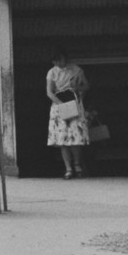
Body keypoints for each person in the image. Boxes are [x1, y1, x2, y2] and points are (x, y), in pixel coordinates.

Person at [46, 47, 91, 179]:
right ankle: (68, 168)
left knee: (75, 135)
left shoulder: (77, 70)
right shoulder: (52, 72)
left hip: (74, 102)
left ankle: (77, 165)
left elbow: (86, 86)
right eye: (55, 61)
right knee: (62, 138)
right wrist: (61, 105)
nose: (58, 64)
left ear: (66, 59)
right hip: (59, 103)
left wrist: (77, 88)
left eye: (60, 60)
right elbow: (49, 92)